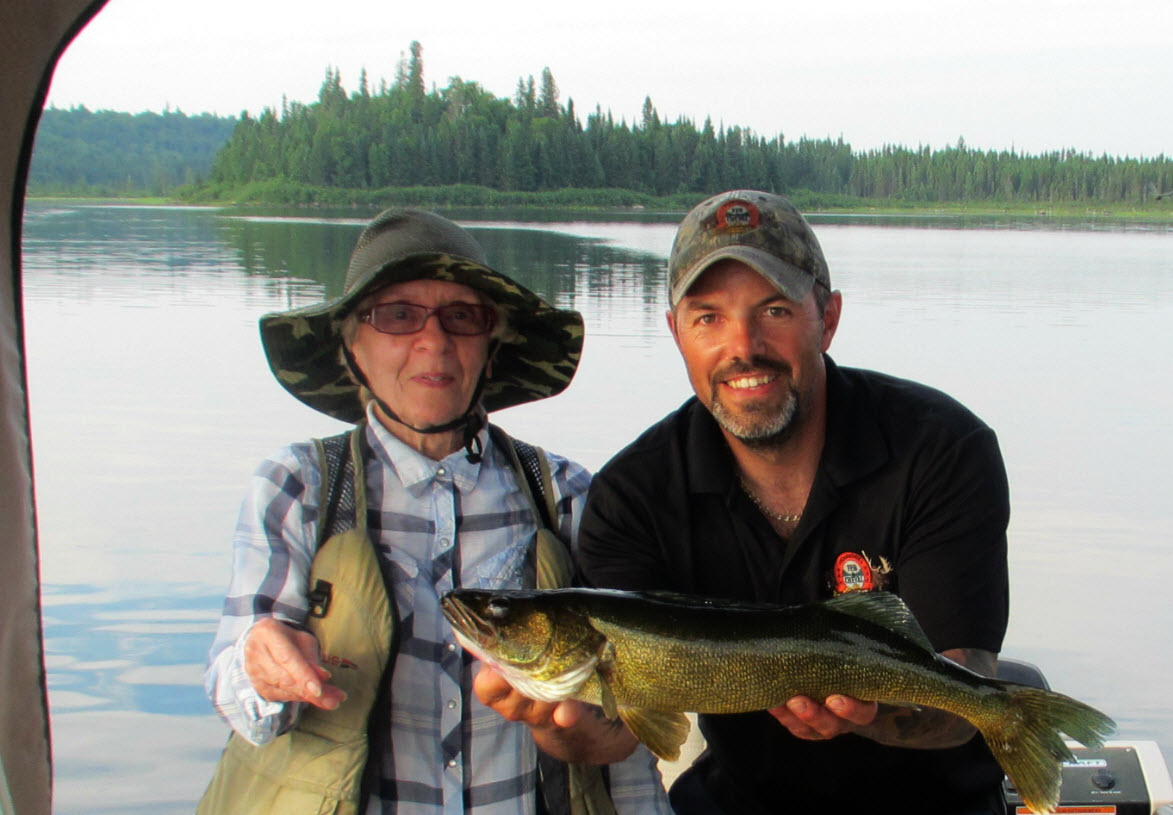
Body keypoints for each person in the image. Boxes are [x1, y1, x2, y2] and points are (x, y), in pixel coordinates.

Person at [200, 208, 671, 815]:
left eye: (461, 317)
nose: (434, 341)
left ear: (492, 343)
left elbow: (628, 722)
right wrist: (260, 663)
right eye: (397, 315)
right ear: (352, 344)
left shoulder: (566, 495)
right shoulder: (299, 487)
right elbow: (235, 693)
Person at [577, 190, 1011, 815]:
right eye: (708, 318)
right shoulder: (633, 494)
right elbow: (623, 725)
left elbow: (963, 702)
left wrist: (867, 711)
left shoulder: (941, 447)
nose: (743, 346)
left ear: (827, 317)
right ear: (675, 333)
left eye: (774, 309)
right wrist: (561, 730)